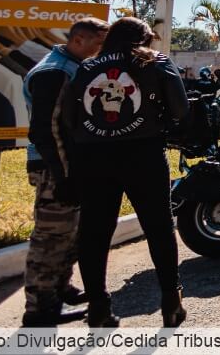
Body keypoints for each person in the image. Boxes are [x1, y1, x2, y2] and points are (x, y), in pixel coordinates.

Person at [62, 17, 189, 327]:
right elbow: (181, 110)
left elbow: (69, 116)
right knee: (159, 228)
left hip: (93, 156)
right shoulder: (156, 63)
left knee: (94, 232)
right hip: (143, 153)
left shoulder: (87, 68)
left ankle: (98, 307)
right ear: (144, 39)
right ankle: (171, 302)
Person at [21, 17, 109, 327]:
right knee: (51, 239)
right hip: (55, 168)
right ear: (78, 41)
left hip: (68, 166)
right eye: (98, 46)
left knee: (69, 234)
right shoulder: (54, 73)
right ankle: (40, 309)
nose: (101, 52)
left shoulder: (69, 65)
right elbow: (47, 131)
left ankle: (60, 290)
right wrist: (64, 176)